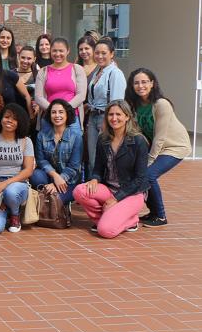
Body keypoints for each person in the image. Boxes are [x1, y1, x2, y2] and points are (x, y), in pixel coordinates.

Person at [126, 68, 191, 227]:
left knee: (148, 175)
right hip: (158, 146)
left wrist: (149, 160)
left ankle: (161, 216)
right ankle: (153, 213)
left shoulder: (161, 104)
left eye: (144, 82)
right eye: (136, 83)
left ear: (152, 84)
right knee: (141, 174)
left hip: (174, 147)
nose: (140, 86)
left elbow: (160, 137)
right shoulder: (137, 104)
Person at [74, 101, 149, 238]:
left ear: (127, 117)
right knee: (80, 191)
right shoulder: (103, 139)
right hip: (109, 189)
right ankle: (104, 217)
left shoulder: (138, 141)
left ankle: (132, 220)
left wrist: (116, 198)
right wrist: (95, 179)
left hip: (132, 193)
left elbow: (140, 179)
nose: (114, 118)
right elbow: (97, 168)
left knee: (106, 231)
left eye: (118, 114)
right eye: (111, 114)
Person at [0, 103, 34, 235]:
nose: (9, 121)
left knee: (10, 192)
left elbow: (28, 170)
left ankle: (15, 215)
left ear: (20, 122)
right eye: (7, 117)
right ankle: (5, 209)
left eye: (14, 119)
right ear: (0, 118)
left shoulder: (25, 141)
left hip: (17, 184)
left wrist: (6, 184)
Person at [84, 38, 126, 174]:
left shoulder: (115, 73)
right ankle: (91, 190)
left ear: (112, 54)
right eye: (97, 53)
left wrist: (109, 122)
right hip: (93, 117)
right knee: (92, 158)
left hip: (105, 118)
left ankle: (105, 189)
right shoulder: (98, 71)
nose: (99, 56)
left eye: (104, 53)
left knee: (105, 157)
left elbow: (117, 102)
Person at [31, 99, 82, 206]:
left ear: (67, 114)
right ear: (49, 115)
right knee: (35, 175)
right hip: (48, 178)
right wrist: (55, 176)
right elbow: (41, 160)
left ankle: (47, 199)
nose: (57, 115)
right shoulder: (42, 135)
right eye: (53, 112)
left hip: (69, 181)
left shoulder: (76, 136)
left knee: (56, 200)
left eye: (61, 112)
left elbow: (74, 166)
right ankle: (47, 197)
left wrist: (58, 182)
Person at [34, 38, 87, 126]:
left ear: (68, 51)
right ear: (50, 51)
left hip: (72, 118)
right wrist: (54, 111)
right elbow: (38, 97)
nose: (57, 54)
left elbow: (81, 96)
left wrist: (64, 110)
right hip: (49, 118)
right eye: (54, 51)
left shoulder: (77, 69)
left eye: (61, 51)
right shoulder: (43, 71)